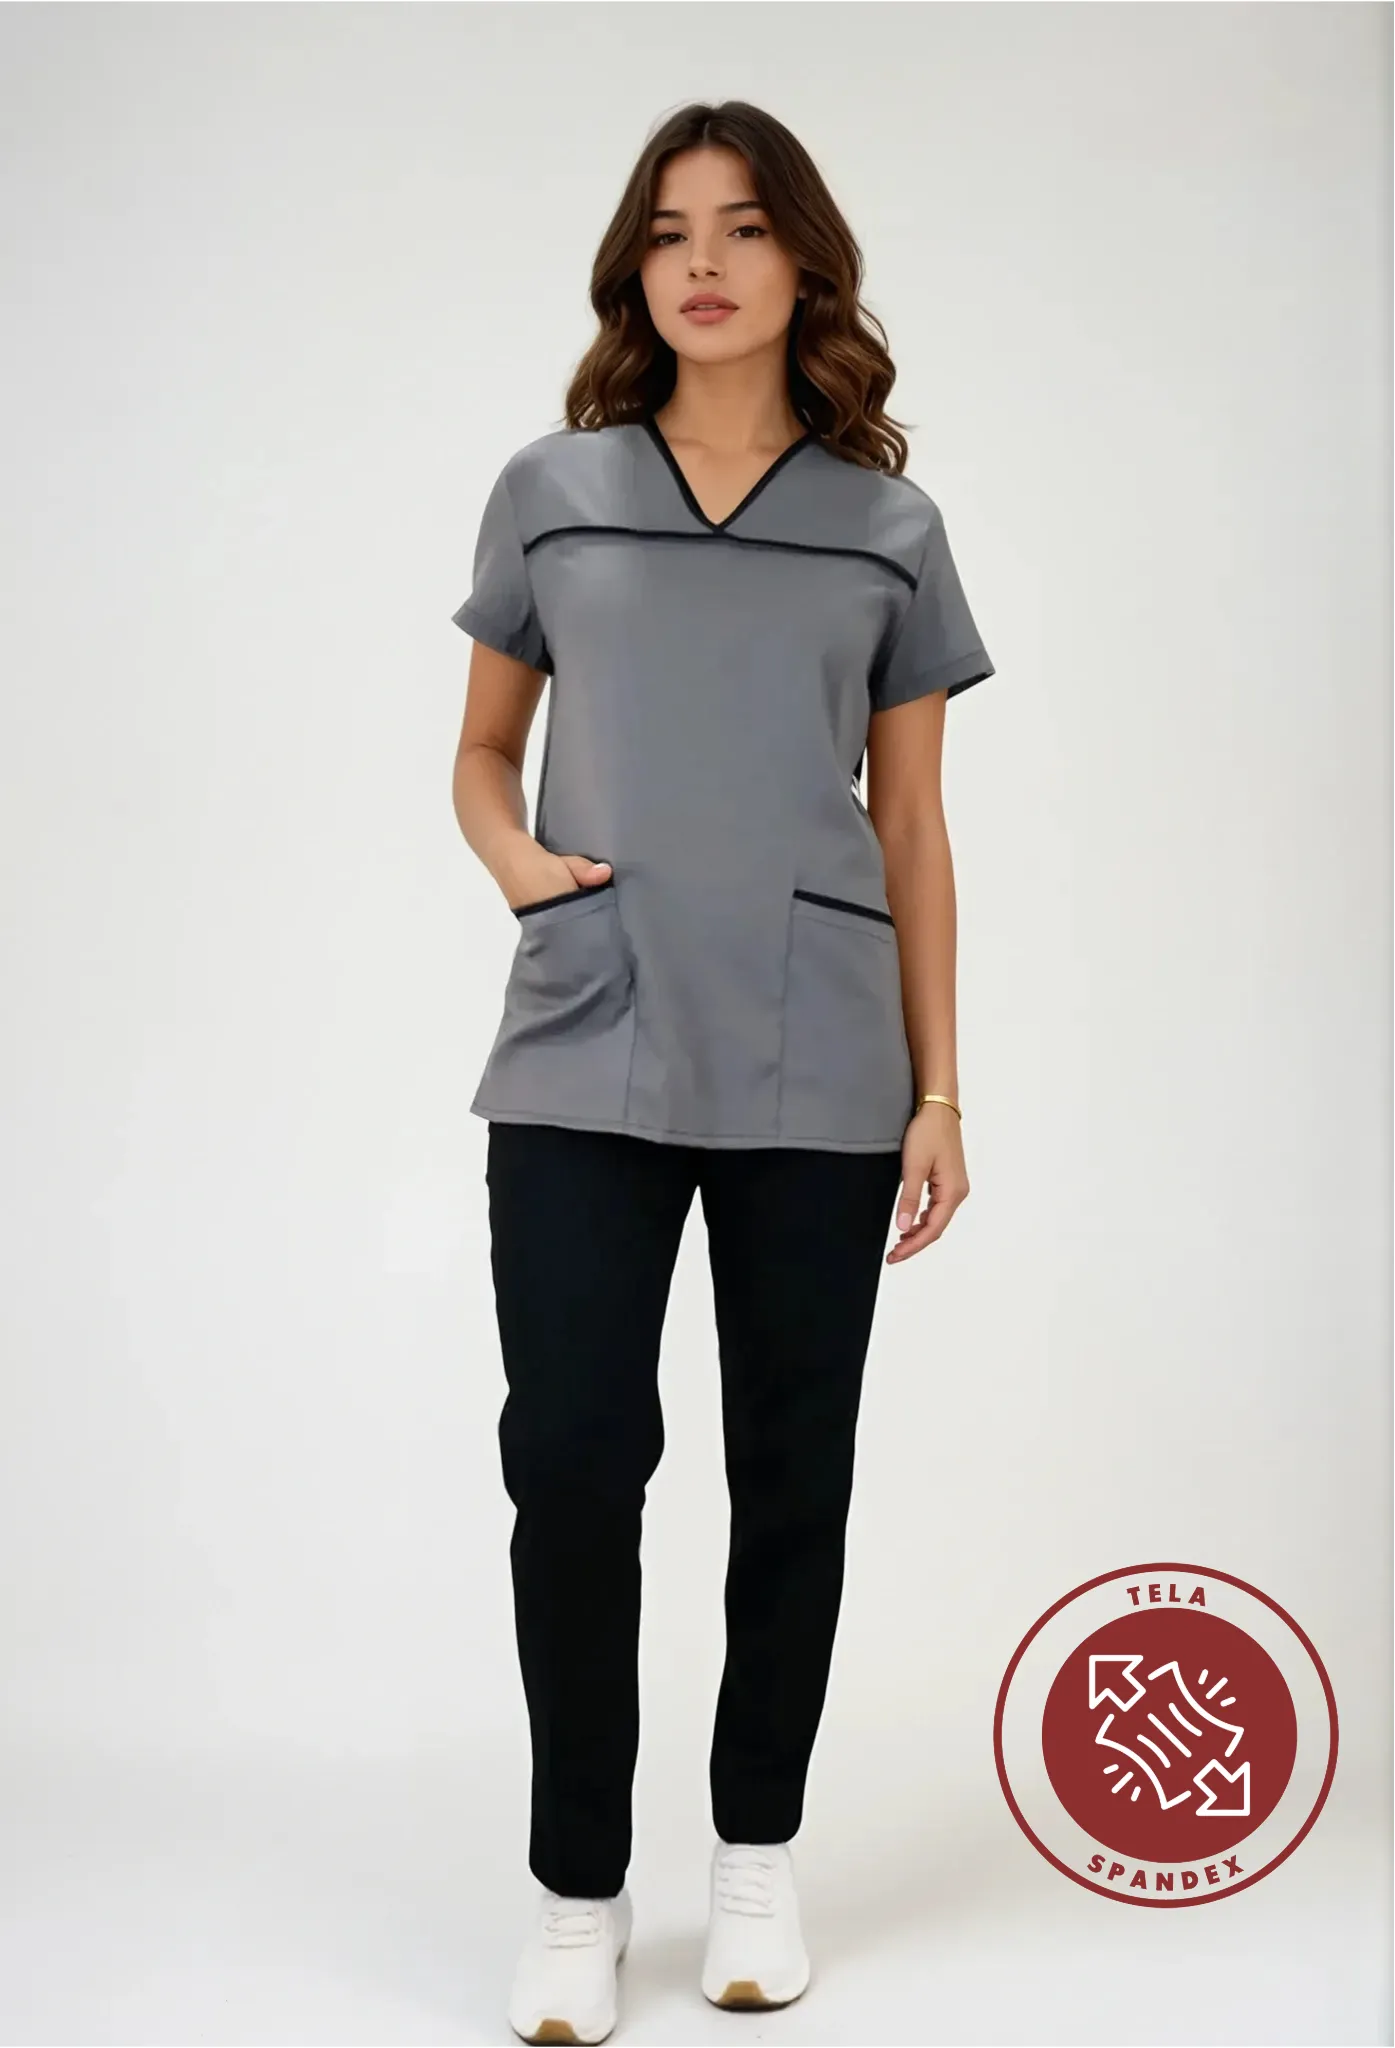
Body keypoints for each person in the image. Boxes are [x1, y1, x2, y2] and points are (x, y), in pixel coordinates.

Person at [449, 98, 995, 2047]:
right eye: (671, 229)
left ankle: (755, 1855)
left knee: (792, 1468)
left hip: (817, 1052)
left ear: (801, 263)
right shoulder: (553, 489)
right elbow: (480, 751)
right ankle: (576, 1892)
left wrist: (939, 1091)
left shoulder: (888, 530)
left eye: (745, 226)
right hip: (583, 1034)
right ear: (635, 267)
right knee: (571, 1460)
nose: (704, 260)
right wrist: (520, 867)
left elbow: (911, 826)